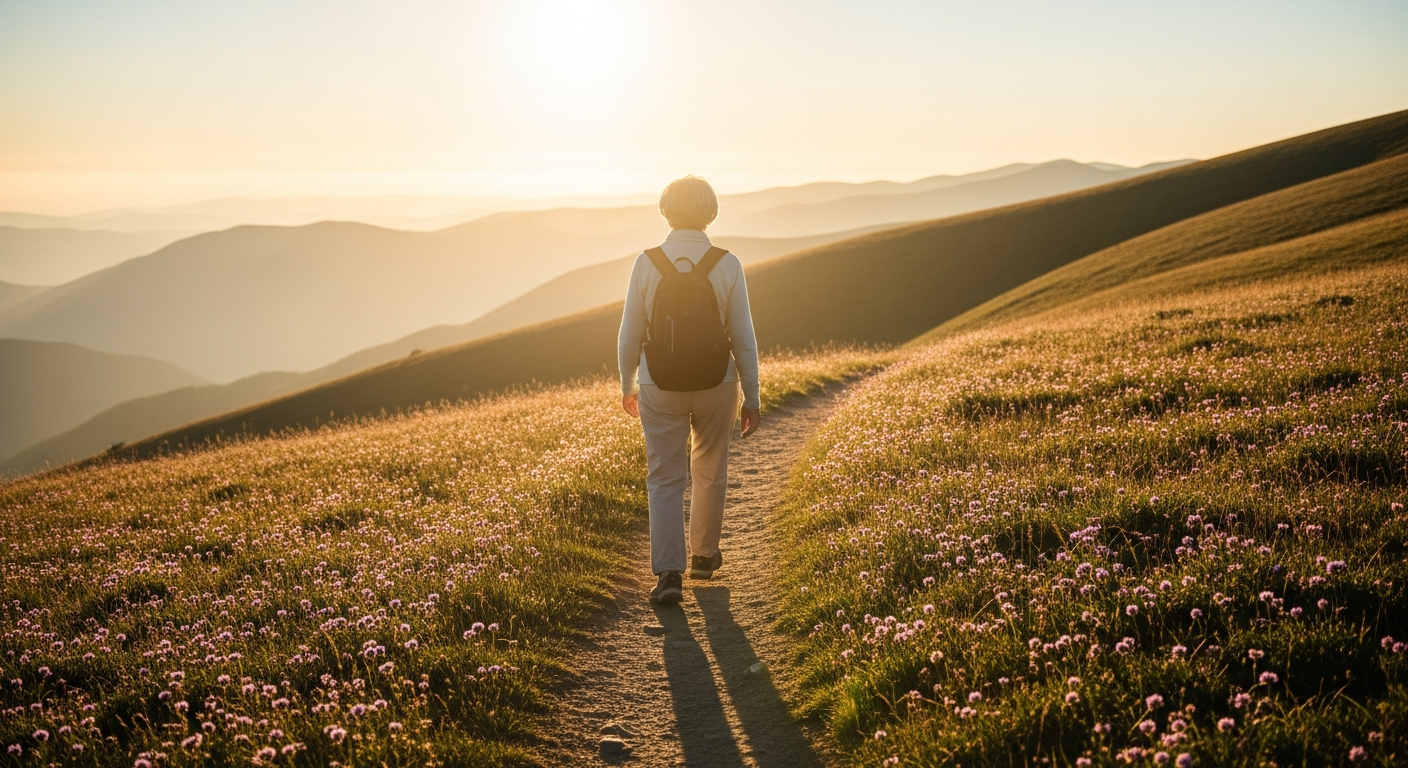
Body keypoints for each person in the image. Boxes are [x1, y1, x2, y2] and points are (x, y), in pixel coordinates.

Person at [618, 175, 761, 605]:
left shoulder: (647, 263)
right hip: (719, 383)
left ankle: (668, 575)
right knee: (710, 470)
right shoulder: (727, 263)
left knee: (664, 476)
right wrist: (751, 396)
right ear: (710, 211)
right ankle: (703, 556)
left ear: (666, 210)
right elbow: (744, 337)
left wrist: (629, 384)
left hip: (659, 384)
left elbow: (628, 334)